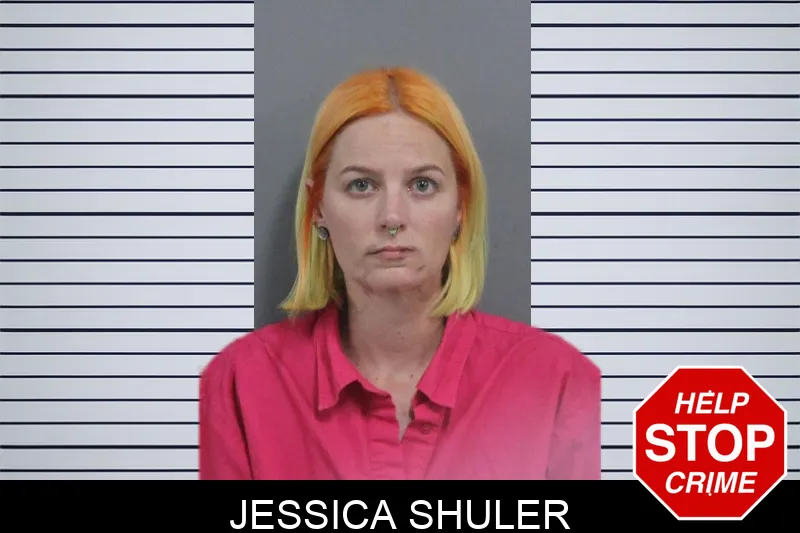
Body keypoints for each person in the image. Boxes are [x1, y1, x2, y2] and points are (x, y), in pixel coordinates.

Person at [198, 66, 601, 480]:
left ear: (460, 207)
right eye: (361, 185)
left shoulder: (557, 381)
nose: (392, 217)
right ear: (318, 208)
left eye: (422, 185)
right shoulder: (240, 384)